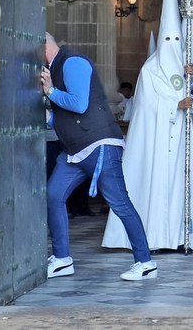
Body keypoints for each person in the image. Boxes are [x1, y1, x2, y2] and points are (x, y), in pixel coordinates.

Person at [102, 0, 193, 254]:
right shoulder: (149, 70)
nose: (173, 47)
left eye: (177, 41)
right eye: (168, 41)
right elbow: (145, 107)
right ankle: (156, 237)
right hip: (158, 141)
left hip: (183, 143)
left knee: (180, 187)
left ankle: (182, 235)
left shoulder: (186, 67)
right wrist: (175, 107)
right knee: (158, 187)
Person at [40, 32, 157, 282]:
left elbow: (79, 104)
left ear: (44, 45)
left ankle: (145, 262)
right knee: (53, 195)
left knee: (120, 204)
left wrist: (50, 91)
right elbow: (65, 114)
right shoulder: (54, 67)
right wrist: (48, 117)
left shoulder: (73, 62)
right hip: (75, 150)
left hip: (99, 145)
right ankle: (62, 259)